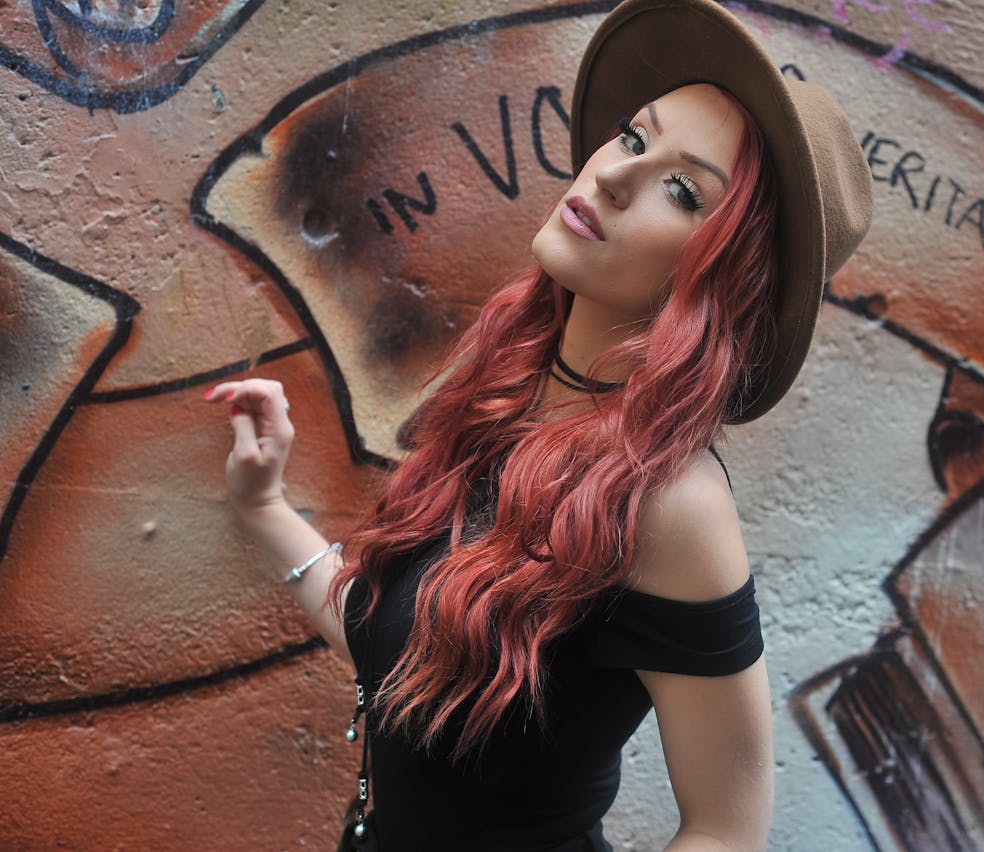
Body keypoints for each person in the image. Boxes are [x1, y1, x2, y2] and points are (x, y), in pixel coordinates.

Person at [204, 0, 872, 849]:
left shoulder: (672, 505)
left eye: (680, 189)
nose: (614, 176)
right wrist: (265, 508)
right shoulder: (509, 401)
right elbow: (404, 654)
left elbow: (727, 830)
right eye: (634, 137)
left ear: (726, 276)